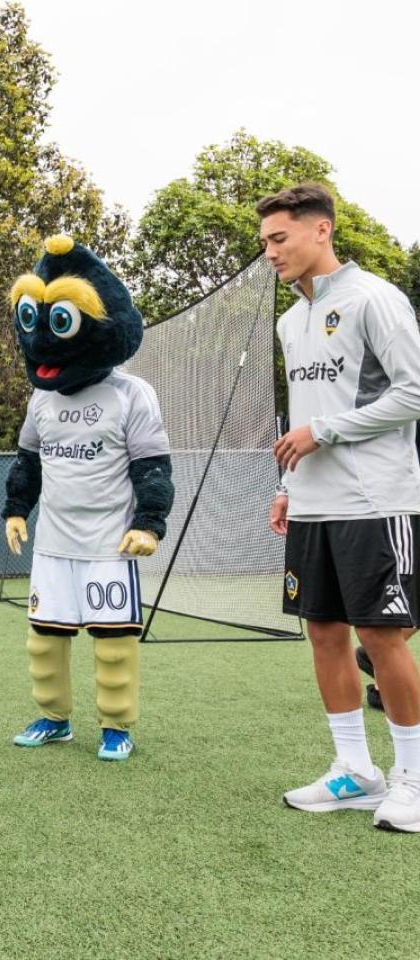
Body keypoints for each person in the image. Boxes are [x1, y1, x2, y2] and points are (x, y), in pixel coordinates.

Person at [264, 183, 420, 833]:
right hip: (312, 507)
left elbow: (413, 393)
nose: (271, 253)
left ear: (321, 230)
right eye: (266, 243)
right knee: (323, 633)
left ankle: (413, 778)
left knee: (382, 637)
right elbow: (302, 415)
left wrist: (325, 433)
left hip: (375, 500)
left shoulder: (374, 300)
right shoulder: (288, 320)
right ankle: (355, 771)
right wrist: (287, 488)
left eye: (280, 238)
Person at [1, 236, 174, 762]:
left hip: (109, 542)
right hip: (55, 541)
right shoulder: (41, 397)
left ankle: (116, 727)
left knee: (113, 640)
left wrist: (150, 523)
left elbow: (152, 467)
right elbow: (28, 461)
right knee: (45, 638)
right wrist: (14, 510)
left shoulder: (131, 394)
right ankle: (54, 720)